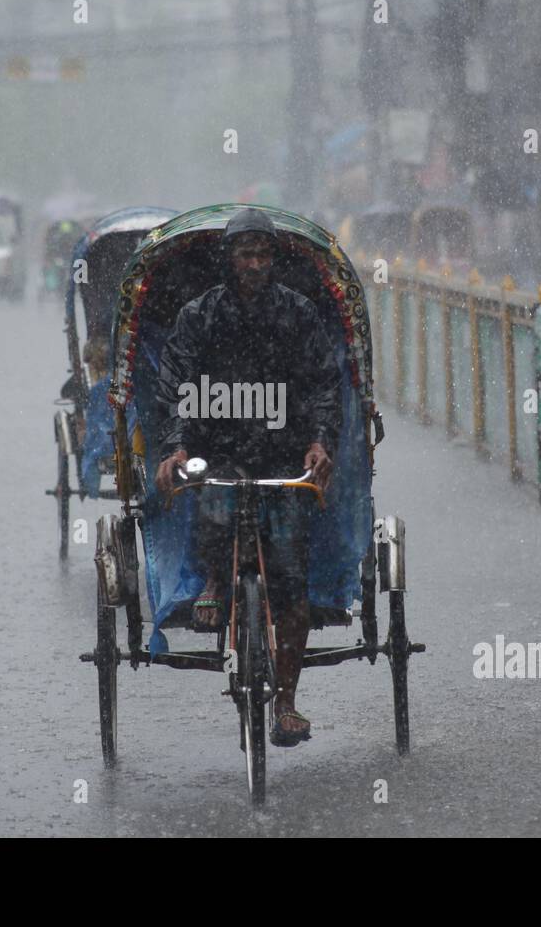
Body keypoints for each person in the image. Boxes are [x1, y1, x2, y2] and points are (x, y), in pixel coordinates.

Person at [154, 209, 342, 747]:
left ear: (273, 260)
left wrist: (320, 441)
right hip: (218, 452)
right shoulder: (199, 316)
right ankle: (215, 581)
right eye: (245, 255)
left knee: (291, 587)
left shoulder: (300, 315)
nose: (255, 265)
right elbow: (172, 385)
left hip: (284, 456)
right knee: (213, 505)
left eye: (263, 255)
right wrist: (176, 448)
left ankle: (286, 702)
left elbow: (326, 385)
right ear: (229, 260)